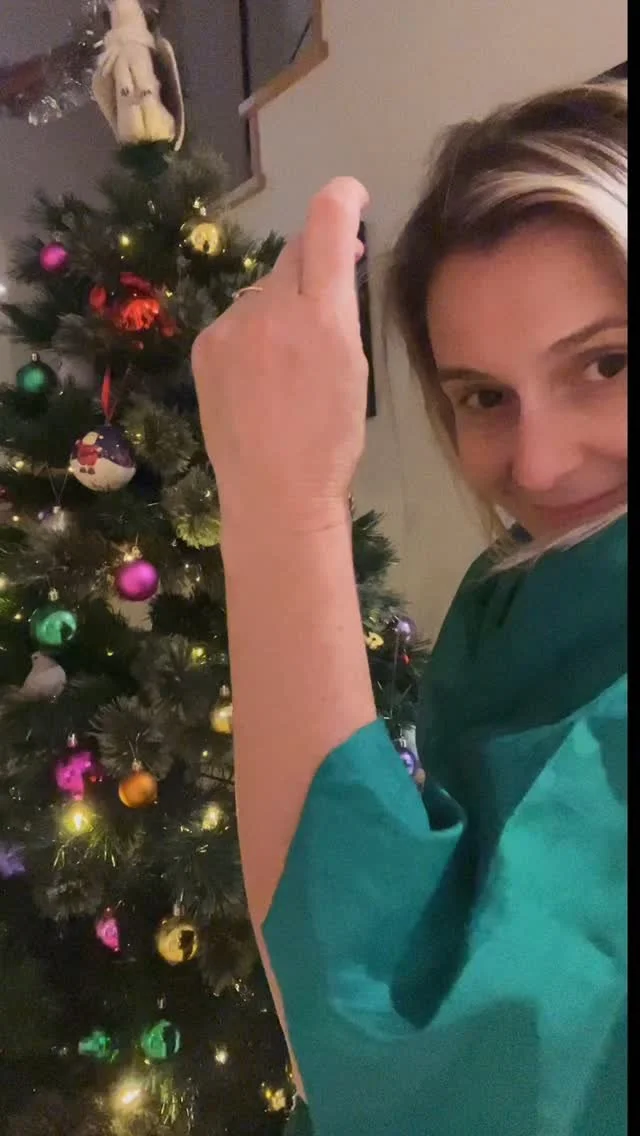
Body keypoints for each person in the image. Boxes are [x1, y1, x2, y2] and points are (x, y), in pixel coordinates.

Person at [192, 78, 627, 1135]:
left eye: (606, 363)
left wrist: (283, 510)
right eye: (484, 396)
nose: (538, 463)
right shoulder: (508, 605)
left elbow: (438, 1082)